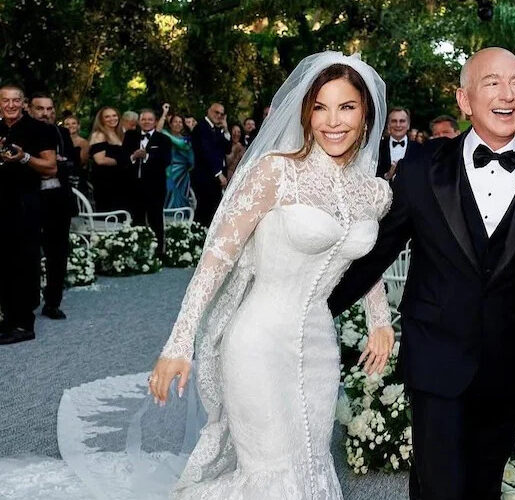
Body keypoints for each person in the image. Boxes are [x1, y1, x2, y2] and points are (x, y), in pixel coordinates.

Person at [329, 47, 515, 500]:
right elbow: (375, 254)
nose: (508, 94)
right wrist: (311, 308)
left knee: (482, 488)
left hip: (507, 366)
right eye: (492, 83)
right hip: (435, 358)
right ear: (464, 100)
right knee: (441, 487)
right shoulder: (421, 168)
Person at [148, 52, 393, 498]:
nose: (332, 121)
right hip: (256, 344)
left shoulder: (375, 192)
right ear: (305, 113)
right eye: (320, 107)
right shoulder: (276, 172)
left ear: (366, 115)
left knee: (310, 467)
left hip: (320, 347)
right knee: (271, 474)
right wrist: (179, 342)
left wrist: (380, 320)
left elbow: (363, 261)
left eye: (346, 107)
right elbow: (216, 259)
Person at [0, 84, 57, 345]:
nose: (10, 105)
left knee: (24, 262)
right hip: (2, 204)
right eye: (5, 101)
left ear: (23, 103)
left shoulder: (39, 129)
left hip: (25, 204)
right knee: (4, 263)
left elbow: (51, 167)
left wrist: (24, 158)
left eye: (15, 100)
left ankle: (24, 323)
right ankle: (8, 319)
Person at [29, 92, 78, 320]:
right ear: (30, 109)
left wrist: (60, 164)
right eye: (40, 109)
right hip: (30, 198)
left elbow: (73, 162)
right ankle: (28, 300)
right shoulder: (22, 132)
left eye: (49, 109)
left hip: (59, 199)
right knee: (28, 251)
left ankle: (52, 303)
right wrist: (44, 164)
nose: (45, 113)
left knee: (57, 253)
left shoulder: (62, 133)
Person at [122, 109, 172, 254]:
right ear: (139, 121)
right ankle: (137, 252)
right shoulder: (130, 136)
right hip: (134, 185)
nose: (146, 122)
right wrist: (133, 157)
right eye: (143, 119)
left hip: (155, 186)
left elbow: (166, 161)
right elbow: (123, 157)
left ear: (155, 122)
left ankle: (159, 253)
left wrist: (147, 156)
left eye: (150, 119)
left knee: (155, 218)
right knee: (136, 218)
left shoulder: (163, 139)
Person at [190, 102, 232, 226]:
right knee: (204, 210)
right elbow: (205, 152)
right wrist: (218, 173)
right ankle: (198, 234)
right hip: (205, 177)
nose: (219, 116)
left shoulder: (217, 129)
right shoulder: (201, 127)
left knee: (213, 211)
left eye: (221, 114)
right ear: (209, 111)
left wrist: (226, 129)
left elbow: (227, 149)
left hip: (215, 179)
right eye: (216, 112)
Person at [157, 103, 194, 209]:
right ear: (170, 124)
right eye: (175, 122)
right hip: (169, 172)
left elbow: (184, 148)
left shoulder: (186, 139)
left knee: (182, 198)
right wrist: (164, 113)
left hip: (183, 174)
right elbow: (158, 131)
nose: (178, 124)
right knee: (169, 194)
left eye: (180, 122)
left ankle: (182, 219)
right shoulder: (164, 135)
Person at [89, 107, 126, 211]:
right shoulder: (99, 135)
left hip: (121, 182)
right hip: (106, 183)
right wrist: (122, 161)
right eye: (107, 117)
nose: (112, 119)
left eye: (114, 115)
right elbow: (100, 160)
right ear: (101, 120)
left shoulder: (120, 134)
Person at [377, 107, 421, 181]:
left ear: (408, 125)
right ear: (388, 125)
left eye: (402, 121)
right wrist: (387, 175)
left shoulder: (419, 149)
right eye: (394, 121)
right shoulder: (378, 147)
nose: (398, 125)